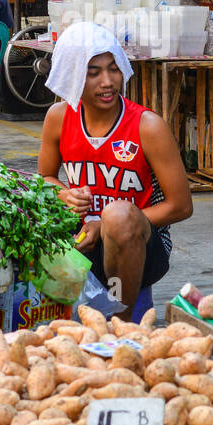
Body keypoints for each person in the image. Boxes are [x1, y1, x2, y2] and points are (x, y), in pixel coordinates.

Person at [37, 23, 193, 321]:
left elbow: (181, 206)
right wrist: (64, 194)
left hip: (142, 245)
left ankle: (120, 323)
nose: (107, 81)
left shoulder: (148, 126)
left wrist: (106, 225)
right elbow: (44, 178)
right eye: (93, 72)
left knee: (118, 216)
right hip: (81, 239)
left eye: (113, 69)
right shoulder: (58, 118)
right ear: (72, 76)